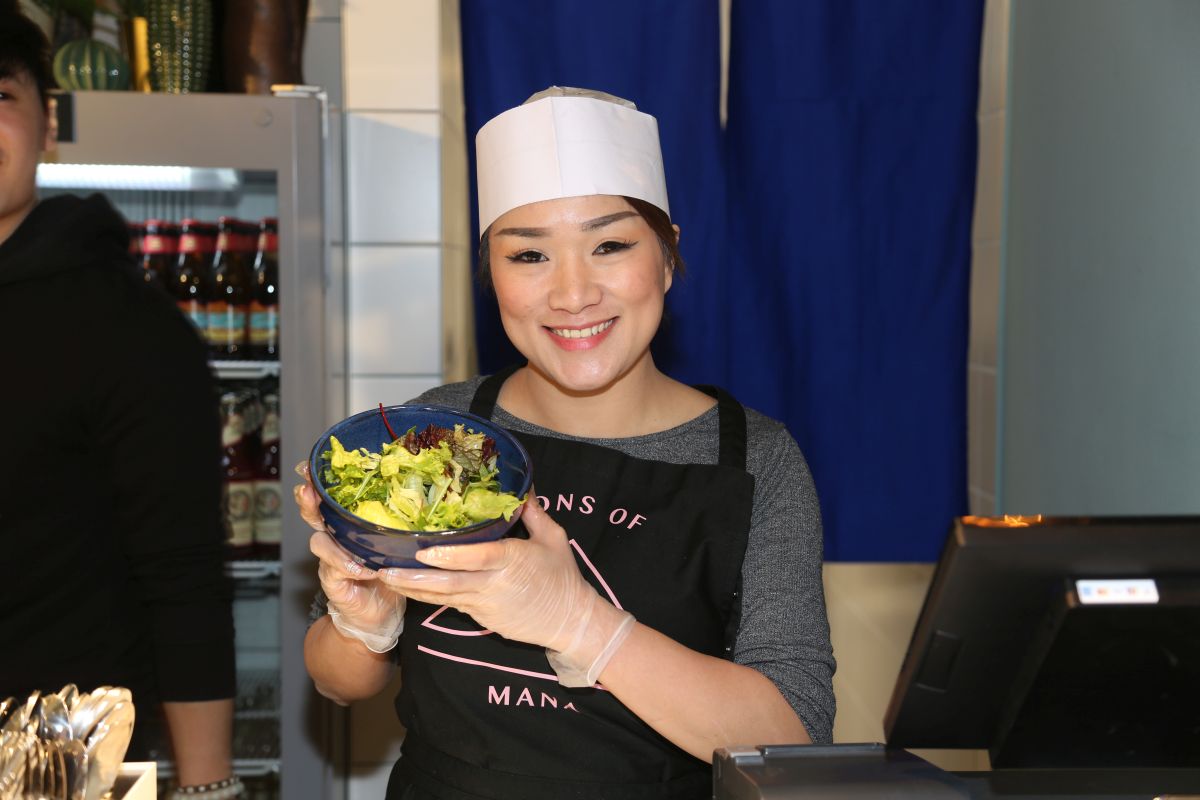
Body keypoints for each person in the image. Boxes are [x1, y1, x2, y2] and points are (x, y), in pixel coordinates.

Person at [297, 86, 835, 799]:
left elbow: (793, 740)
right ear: (492, 276)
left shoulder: (754, 458)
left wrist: (581, 623)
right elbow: (337, 684)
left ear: (667, 257)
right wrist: (363, 622)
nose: (573, 294)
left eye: (610, 245)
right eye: (529, 255)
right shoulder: (438, 429)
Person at [0, 6, 241, 798]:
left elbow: (185, 575)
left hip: (61, 758)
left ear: (48, 122)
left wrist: (207, 790)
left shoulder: (125, 327)